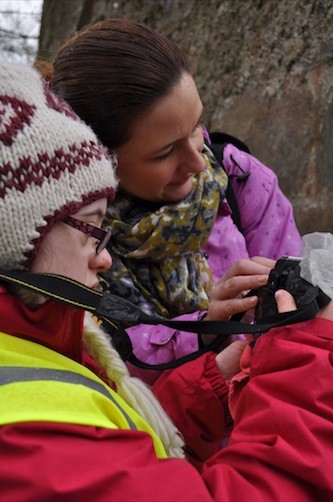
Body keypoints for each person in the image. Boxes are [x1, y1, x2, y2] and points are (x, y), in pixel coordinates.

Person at [1, 60, 332, 501]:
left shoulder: (38, 340)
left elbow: (118, 441)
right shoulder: (23, 437)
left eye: (198, 127)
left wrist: (212, 382)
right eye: (92, 227)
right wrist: (303, 366)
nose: (101, 257)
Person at [46, 18, 303, 384]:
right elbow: (102, 363)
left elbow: (299, 321)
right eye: (165, 152)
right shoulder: (74, 239)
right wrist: (204, 328)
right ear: (103, 161)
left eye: (196, 126)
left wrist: (283, 301)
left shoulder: (238, 178)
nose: (199, 162)